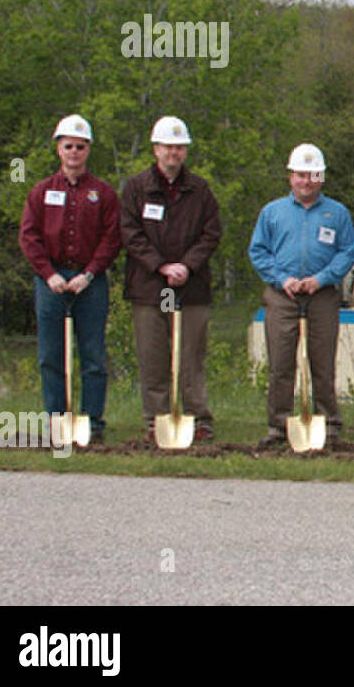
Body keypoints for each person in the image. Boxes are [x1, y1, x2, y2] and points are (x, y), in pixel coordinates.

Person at [18, 115, 121, 444]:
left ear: (88, 150)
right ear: (58, 149)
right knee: (51, 354)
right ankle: (56, 421)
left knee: (92, 354)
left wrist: (89, 274)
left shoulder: (102, 193)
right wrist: (48, 274)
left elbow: (111, 238)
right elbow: (29, 236)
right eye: (68, 146)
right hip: (51, 280)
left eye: (80, 146)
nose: (74, 151)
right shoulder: (41, 192)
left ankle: (92, 422)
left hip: (90, 281)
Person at [248, 143, 354, 446]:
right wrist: (281, 278)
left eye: (312, 175)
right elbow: (258, 251)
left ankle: (329, 424)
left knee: (322, 362)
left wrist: (321, 279)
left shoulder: (337, 214)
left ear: (321, 178)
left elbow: (347, 252)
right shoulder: (272, 213)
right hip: (282, 296)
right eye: (300, 175)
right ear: (290, 177)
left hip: (322, 296)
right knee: (281, 363)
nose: (306, 181)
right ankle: (279, 426)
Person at [120, 116, 222, 442]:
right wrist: (161, 266)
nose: (174, 153)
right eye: (168, 147)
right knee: (154, 356)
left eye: (180, 147)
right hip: (152, 288)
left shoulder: (200, 189)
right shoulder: (136, 188)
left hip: (189, 288)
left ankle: (198, 419)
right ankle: (156, 420)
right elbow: (130, 233)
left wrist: (186, 266)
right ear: (156, 149)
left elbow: (211, 233)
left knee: (191, 355)